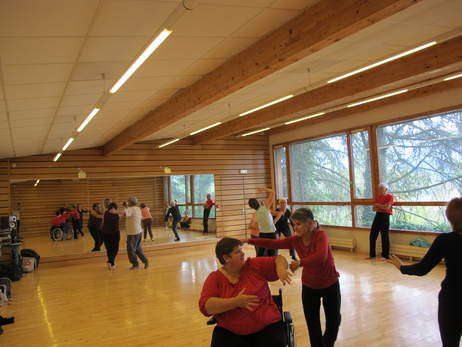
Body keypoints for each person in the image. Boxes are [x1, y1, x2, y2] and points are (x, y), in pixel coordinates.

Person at [248, 208, 341, 347]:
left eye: (299, 224)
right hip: (310, 286)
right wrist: (249, 241)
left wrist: (300, 263)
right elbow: (274, 243)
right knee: (312, 323)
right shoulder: (296, 240)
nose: (295, 227)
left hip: (330, 284)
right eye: (294, 224)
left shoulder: (321, 235)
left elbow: (321, 257)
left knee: (334, 321)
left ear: (311, 224)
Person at [388, 197, 462, 347]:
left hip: (451, 301)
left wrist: (401, 267)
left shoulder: (445, 240)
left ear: (450, 218)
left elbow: (422, 269)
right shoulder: (444, 240)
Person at [199, 237, 292, 347]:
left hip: (266, 325)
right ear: (226, 258)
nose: (243, 254)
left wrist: (281, 269)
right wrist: (235, 302)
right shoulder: (215, 278)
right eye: (238, 252)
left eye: (242, 250)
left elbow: (279, 259)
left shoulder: (253, 265)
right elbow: (206, 306)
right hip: (231, 331)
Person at [248, 188, 278, 257]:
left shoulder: (255, 215)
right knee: (272, 254)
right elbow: (273, 192)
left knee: (261, 254)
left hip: (262, 235)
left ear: (251, 207)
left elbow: (251, 226)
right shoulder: (265, 207)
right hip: (271, 234)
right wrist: (262, 189)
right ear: (258, 202)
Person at [368, 183, 394, 260]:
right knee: (372, 235)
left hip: (385, 216)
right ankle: (372, 254)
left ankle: (385, 255)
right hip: (377, 215)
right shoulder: (378, 197)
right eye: (379, 188)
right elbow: (373, 209)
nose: (380, 190)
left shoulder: (390, 197)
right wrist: (382, 205)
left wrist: (378, 205)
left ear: (386, 189)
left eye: (381, 188)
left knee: (384, 236)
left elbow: (387, 208)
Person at [123, 197, 149, 270]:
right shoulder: (137, 209)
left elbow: (125, 213)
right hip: (138, 232)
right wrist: (126, 207)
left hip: (133, 233)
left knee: (130, 249)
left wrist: (122, 208)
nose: (127, 203)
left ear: (130, 202)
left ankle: (135, 264)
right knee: (137, 249)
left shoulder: (130, 209)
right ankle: (145, 260)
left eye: (128, 202)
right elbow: (130, 213)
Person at [102, 202, 121, 270]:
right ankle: (111, 262)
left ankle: (111, 262)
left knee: (109, 249)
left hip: (106, 233)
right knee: (115, 248)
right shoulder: (117, 214)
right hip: (114, 233)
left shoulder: (106, 213)